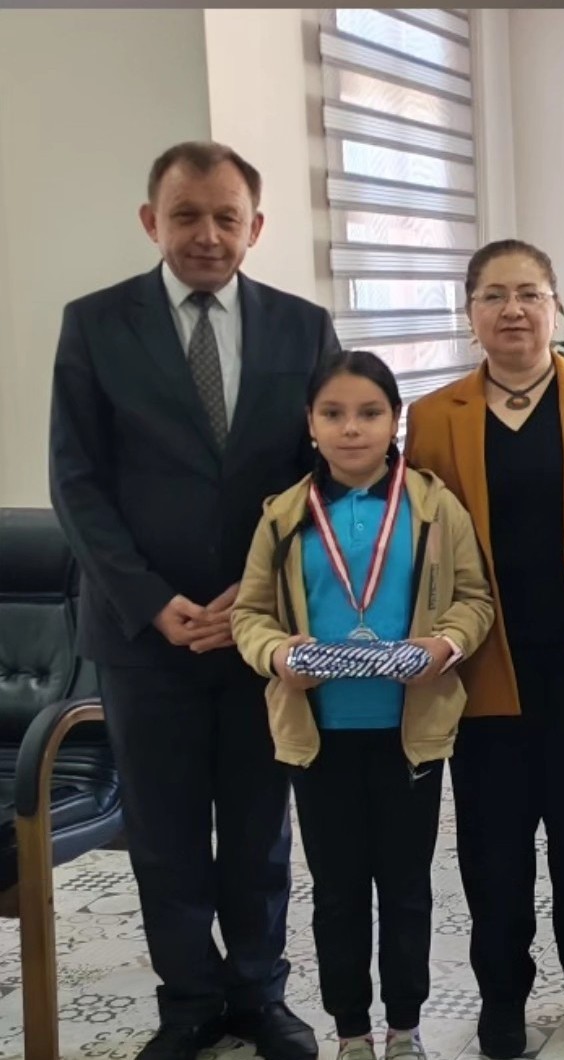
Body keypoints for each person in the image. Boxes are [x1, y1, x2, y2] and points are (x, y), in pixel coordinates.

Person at [48, 141, 340, 1060]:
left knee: (258, 828)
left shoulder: (303, 328)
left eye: (226, 217)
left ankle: (258, 993)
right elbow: (75, 480)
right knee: (165, 834)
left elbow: (328, 474)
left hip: (259, 630)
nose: (207, 234)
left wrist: (255, 594)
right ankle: (187, 1003)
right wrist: (151, 600)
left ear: (256, 227)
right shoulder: (95, 324)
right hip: (145, 636)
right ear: (152, 222)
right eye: (186, 216)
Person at [403, 240, 564, 1059]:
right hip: (484, 670)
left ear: (555, 306)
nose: (513, 310)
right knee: (492, 849)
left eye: (529, 293)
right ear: (470, 311)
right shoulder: (434, 417)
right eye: (494, 295)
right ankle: (502, 994)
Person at [231, 350, 495, 1060]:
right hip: (319, 736)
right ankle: (350, 1030)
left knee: (406, 890)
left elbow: (475, 599)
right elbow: (250, 614)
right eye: (334, 414)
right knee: (338, 893)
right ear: (310, 424)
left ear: (395, 420)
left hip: (409, 733)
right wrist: (277, 655)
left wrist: (445, 644)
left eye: (370, 413)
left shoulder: (434, 507)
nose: (352, 429)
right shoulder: (284, 516)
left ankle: (405, 1028)